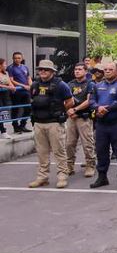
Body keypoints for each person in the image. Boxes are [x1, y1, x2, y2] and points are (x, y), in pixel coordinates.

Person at [27, 60, 74, 188]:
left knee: (59, 151)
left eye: (46, 70)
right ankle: (42, 177)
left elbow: (70, 101)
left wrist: (61, 110)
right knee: (42, 152)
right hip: (38, 123)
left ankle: (62, 176)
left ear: (52, 72)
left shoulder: (61, 85)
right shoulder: (35, 85)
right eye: (40, 69)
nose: (42, 71)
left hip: (54, 123)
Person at [90, 63, 117, 190]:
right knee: (101, 151)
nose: (107, 71)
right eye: (105, 69)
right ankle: (102, 177)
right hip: (101, 125)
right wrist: (98, 107)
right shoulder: (98, 86)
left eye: (110, 69)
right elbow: (91, 100)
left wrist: (106, 109)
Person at [65, 63, 96, 177]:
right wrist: (69, 110)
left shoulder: (90, 84)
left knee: (87, 143)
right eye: (75, 69)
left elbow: (89, 101)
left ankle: (90, 165)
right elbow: (66, 99)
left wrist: (75, 109)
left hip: (84, 117)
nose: (77, 71)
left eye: (80, 69)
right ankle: (69, 166)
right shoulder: (70, 84)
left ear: (85, 71)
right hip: (71, 118)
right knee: (69, 144)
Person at [8, 52, 32, 133]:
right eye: (15, 58)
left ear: (22, 58)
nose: (17, 59)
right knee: (16, 109)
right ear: (13, 58)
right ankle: (15, 126)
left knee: (28, 108)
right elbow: (11, 80)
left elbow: (28, 77)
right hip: (16, 92)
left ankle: (22, 125)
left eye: (19, 58)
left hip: (26, 92)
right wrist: (23, 85)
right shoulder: (10, 68)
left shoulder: (25, 67)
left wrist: (31, 85)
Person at [0, 58, 16, 139]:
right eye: (4, 64)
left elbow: (9, 81)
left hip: (5, 96)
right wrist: (8, 87)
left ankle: (3, 131)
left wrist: (12, 87)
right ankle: (3, 131)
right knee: (1, 112)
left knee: (4, 112)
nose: (6, 65)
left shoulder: (6, 72)